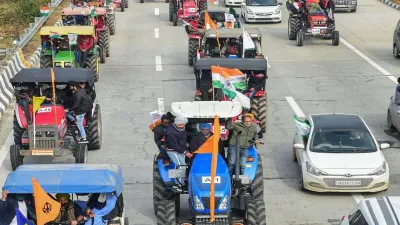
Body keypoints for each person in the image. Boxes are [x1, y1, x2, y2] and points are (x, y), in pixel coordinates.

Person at [165, 116, 192, 190]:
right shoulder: (170, 132)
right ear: (175, 123)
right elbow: (174, 145)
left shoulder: (181, 128)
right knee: (181, 166)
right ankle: (179, 185)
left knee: (183, 164)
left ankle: (179, 180)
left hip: (181, 148)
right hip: (173, 150)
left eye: (182, 125)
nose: (180, 126)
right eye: (179, 125)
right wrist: (185, 153)